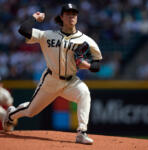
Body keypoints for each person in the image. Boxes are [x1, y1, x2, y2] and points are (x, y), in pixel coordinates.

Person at [3, 3, 102, 144]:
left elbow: (97, 65)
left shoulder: (86, 40)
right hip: (51, 80)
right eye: (68, 14)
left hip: (71, 82)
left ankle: (81, 132)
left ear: (77, 17)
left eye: (74, 14)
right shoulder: (48, 35)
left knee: (84, 93)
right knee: (31, 111)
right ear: (61, 17)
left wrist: (87, 65)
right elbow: (23, 30)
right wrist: (34, 18)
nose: (71, 17)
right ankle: (11, 115)